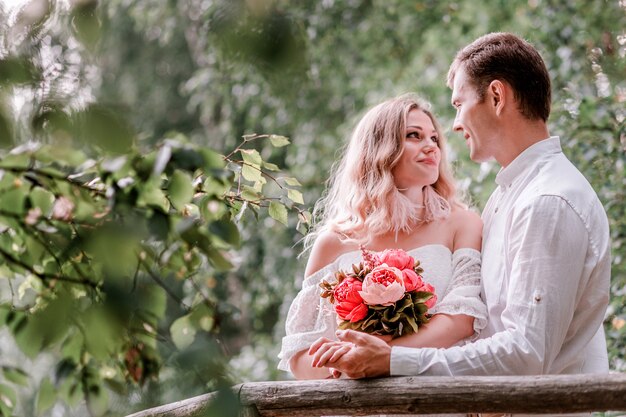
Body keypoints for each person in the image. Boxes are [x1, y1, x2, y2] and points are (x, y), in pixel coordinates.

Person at [310, 32, 611, 388]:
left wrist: (394, 359)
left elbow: (527, 351)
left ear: (496, 97)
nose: (453, 126)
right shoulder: (506, 198)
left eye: (458, 104)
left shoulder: (547, 200)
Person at [277, 93, 487, 380]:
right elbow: (301, 357)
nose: (431, 146)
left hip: (435, 397)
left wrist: (383, 356)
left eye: (434, 139)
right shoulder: (334, 241)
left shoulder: (462, 224)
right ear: (380, 148)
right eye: (414, 135)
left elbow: (463, 321)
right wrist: (345, 361)